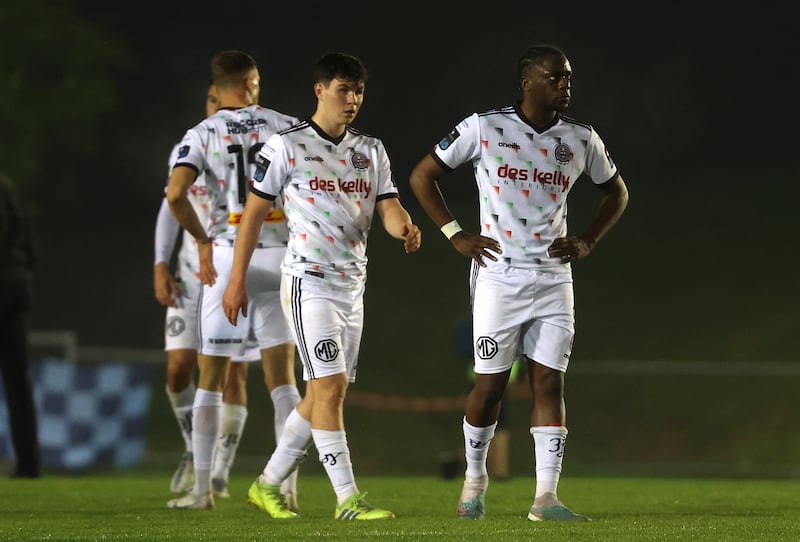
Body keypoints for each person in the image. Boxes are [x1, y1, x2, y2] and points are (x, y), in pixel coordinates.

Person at [409, 44, 629, 522]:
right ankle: (475, 480)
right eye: (556, 77)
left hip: (553, 277)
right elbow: (423, 176)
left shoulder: (580, 138)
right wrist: (455, 234)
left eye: (568, 77)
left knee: (549, 381)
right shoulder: (485, 127)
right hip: (499, 275)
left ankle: (545, 497)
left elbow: (616, 192)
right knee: (489, 386)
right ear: (528, 82)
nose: (565, 85)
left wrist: (587, 240)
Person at [222, 52, 421, 521]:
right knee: (328, 388)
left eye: (358, 92)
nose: (352, 100)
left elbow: (388, 204)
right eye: (343, 90)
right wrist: (236, 281)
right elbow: (253, 214)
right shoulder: (285, 147)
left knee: (321, 396)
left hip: (353, 285)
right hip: (307, 282)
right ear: (320, 91)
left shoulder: (371, 149)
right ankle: (348, 499)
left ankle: (266, 483)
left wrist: (404, 226)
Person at [164, 50, 302, 510]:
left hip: (227, 257)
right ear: (251, 83)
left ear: (217, 86)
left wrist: (201, 239)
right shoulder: (286, 125)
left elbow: (176, 194)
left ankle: (203, 490)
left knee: (212, 379)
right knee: (282, 382)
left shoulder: (202, 132)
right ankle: (287, 487)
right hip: (281, 254)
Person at [0, 173, 41, 479]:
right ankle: (29, 464)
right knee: (17, 381)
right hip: (17, 286)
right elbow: (26, 240)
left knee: (17, 382)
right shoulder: (7, 186)